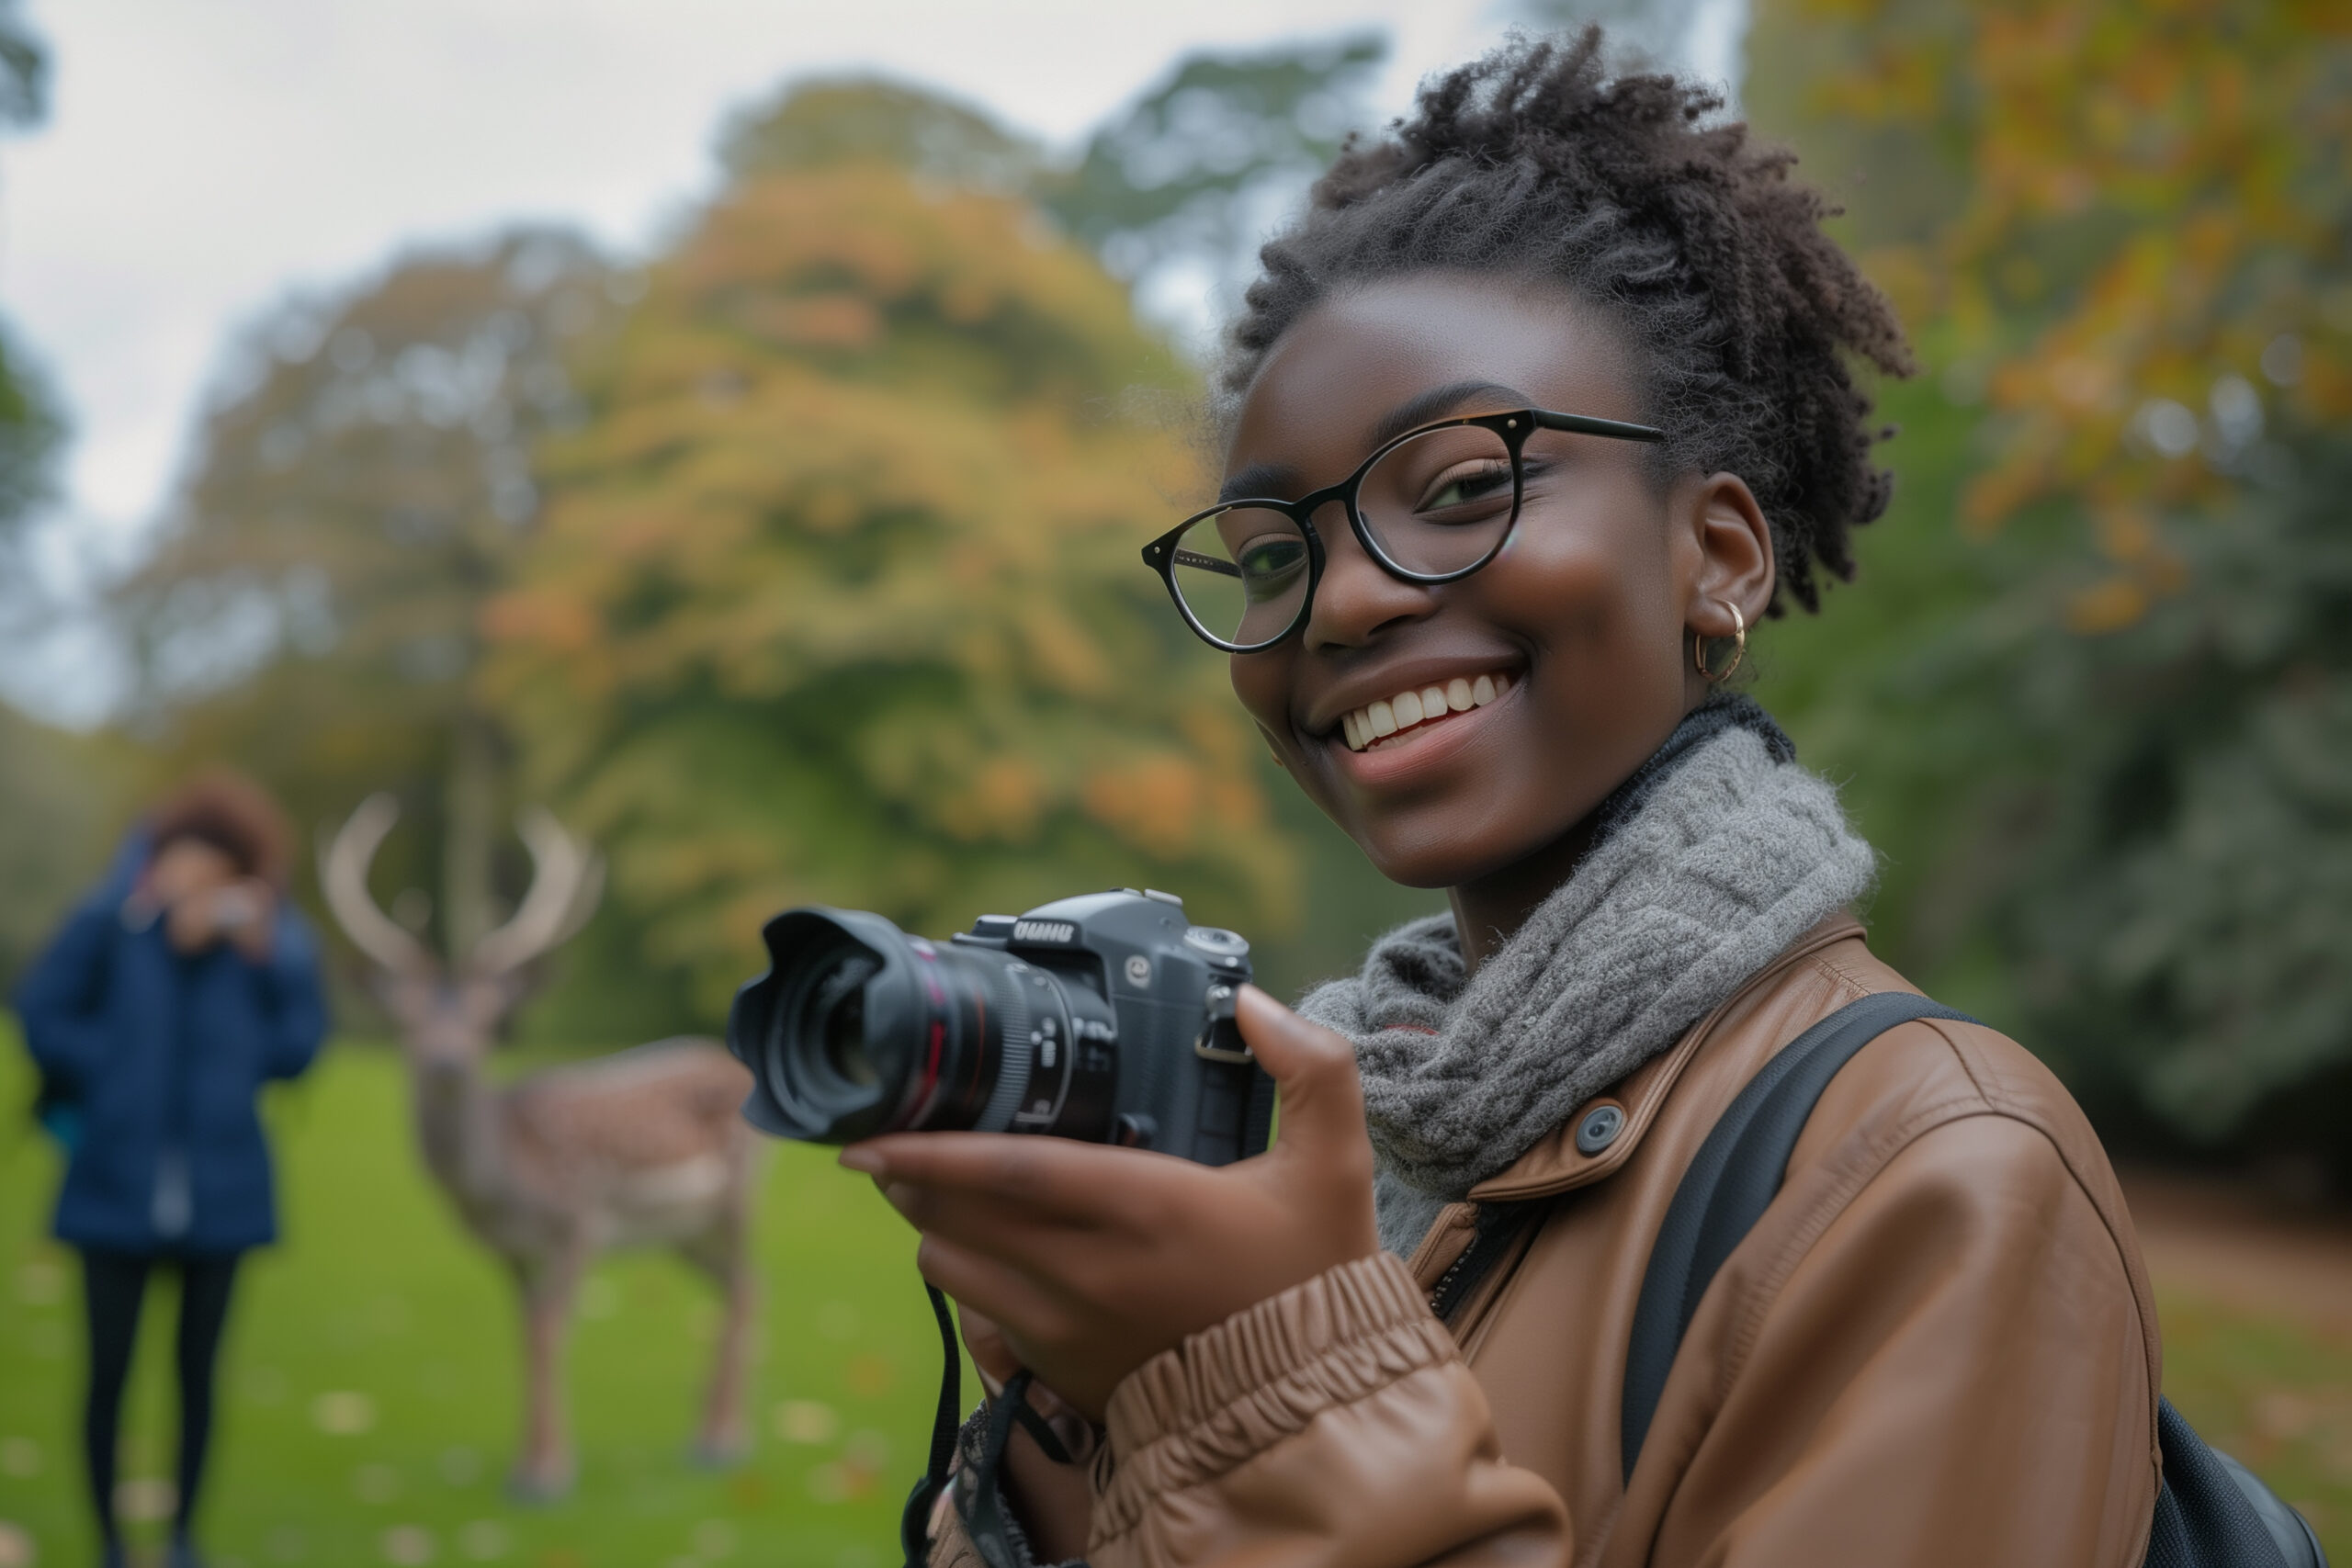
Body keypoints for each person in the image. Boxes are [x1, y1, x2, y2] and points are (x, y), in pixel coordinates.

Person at [849, 30, 2167, 1568]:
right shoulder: (1332, 1126)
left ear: (1719, 554)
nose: (1338, 600)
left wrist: (1267, 1383)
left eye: (1465, 486)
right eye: (1274, 553)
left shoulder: (1938, 1170)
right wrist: (1087, 1407)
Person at [14, 771, 328, 1568]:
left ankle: (183, 1536)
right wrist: (115, 1069)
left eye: (217, 871)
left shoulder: (261, 950)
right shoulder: (113, 926)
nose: (197, 883)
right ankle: (111, 1542)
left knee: (198, 1377)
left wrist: (268, 958)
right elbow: (40, 1013)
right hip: (111, 1186)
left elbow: (297, 1050)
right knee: (107, 1374)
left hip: (222, 1194)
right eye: (184, 861)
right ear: (156, 862)